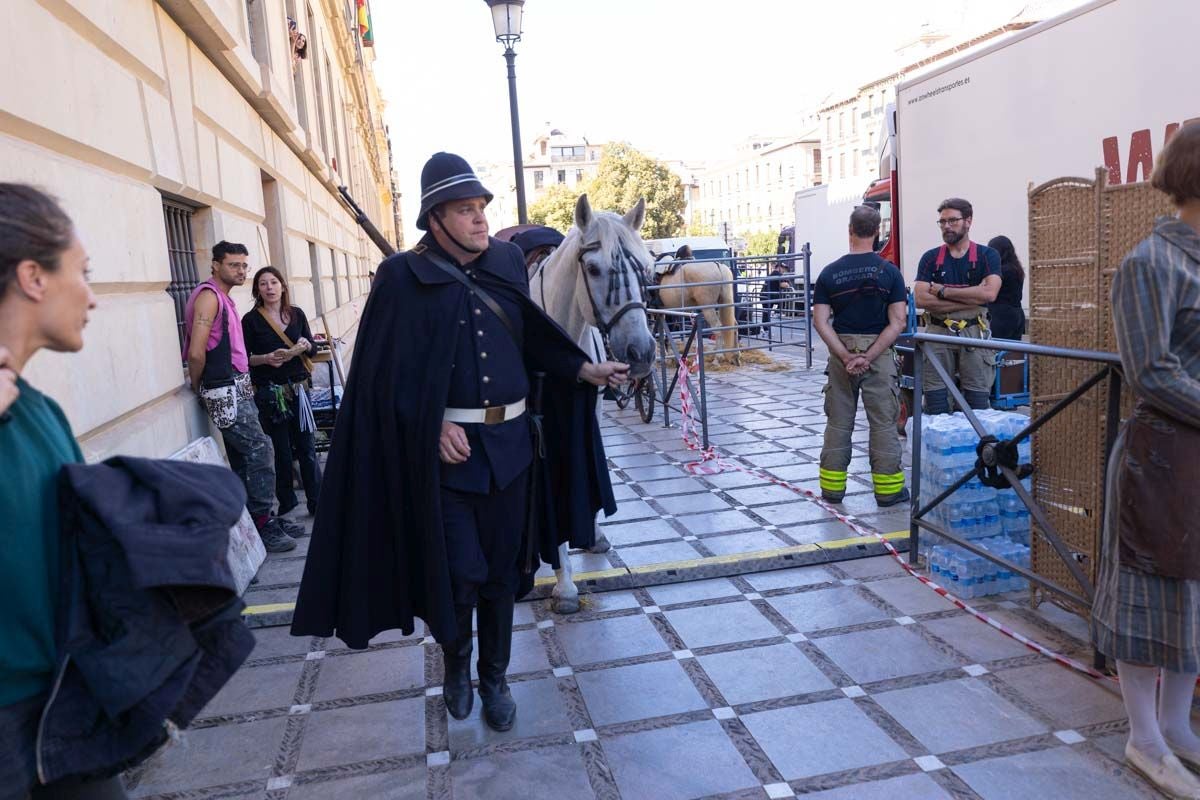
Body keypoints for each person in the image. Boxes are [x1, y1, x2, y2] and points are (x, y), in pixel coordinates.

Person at [292, 152, 626, 732]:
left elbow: (531, 337)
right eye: (465, 210)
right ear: (435, 218)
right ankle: (457, 664)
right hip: (448, 461)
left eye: (480, 208)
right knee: (461, 572)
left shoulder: (504, 261)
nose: (479, 219)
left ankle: (495, 677)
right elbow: (381, 375)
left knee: (503, 572)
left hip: (514, 450)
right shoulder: (401, 275)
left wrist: (580, 370)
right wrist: (430, 424)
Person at [0, 183, 124, 798]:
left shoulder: (40, 411)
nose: (94, 297)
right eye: (84, 272)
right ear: (33, 277)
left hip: (67, 712)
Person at [1091, 123, 1200, 799]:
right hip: (1159, 456)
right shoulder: (1151, 263)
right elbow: (1151, 370)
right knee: (1148, 590)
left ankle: (1178, 727)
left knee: (1193, 590)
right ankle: (1145, 738)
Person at [183, 241, 298, 552]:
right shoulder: (209, 297)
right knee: (261, 449)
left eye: (244, 265)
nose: (241, 270)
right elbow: (196, 352)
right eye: (234, 265)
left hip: (237, 383)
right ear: (216, 264)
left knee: (243, 455)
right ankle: (263, 521)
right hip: (223, 385)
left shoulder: (224, 299)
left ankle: (258, 517)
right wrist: (199, 386)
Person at [812, 206, 909, 507]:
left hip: (841, 352)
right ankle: (888, 491)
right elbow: (898, 322)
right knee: (883, 423)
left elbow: (820, 321)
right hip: (878, 353)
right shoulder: (890, 273)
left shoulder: (829, 273)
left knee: (839, 422)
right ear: (877, 231)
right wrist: (869, 356)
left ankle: (832, 490)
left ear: (850, 230)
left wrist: (844, 355)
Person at [242, 266, 322, 517]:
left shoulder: (297, 315)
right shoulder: (251, 320)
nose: (269, 287)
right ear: (258, 290)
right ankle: (287, 503)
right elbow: (244, 359)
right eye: (263, 284)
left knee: (307, 448)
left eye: (274, 282)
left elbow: (313, 351)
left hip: (300, 390)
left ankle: (316, 501)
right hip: (270, 394)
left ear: (283, 286)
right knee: (282, 451)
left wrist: (306, 345)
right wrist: (266, 358)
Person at [913, 198, 1002, 413]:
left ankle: (976, 446)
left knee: (977, 401)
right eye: (942, 222)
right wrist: (972, 296)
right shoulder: (930, 258)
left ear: (968, 221)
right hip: (937, 333)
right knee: (936, 402)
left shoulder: (986, 256)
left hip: (974, 334)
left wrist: (944, 292)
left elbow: (990, 293)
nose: (946, 226)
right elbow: (920, 299)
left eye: (952, 220)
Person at [985, 235, 1026, 341]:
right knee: (1012, 353)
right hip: (1017, 314)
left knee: (995, 351)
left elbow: (986, 290)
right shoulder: (1016, 268)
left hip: (1001, 316)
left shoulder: (1001, 271)